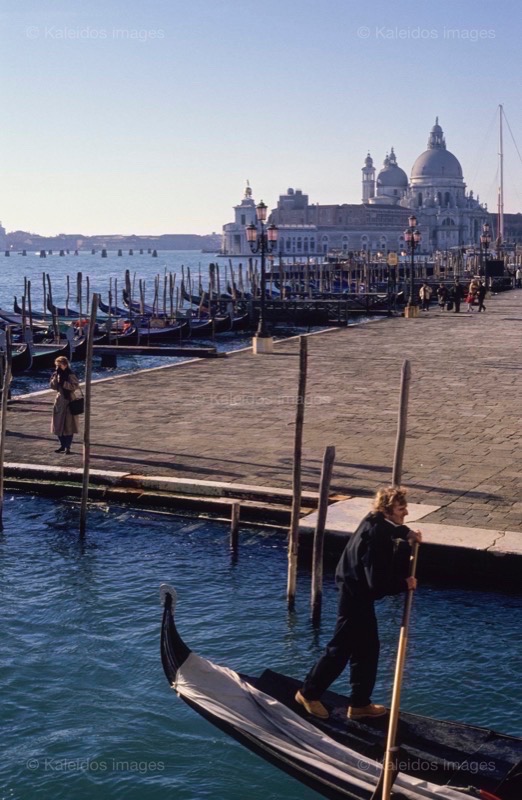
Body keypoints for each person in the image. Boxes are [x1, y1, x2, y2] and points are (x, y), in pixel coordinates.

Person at [295, 487, 422, 721]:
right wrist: (404, 583)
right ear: (388, 510)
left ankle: (360, 704)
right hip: (354, 597)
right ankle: (308, 694)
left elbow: (390, 528)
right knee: (340, 649)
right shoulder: (377, 539)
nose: (406, 512)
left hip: (357, 595)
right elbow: (377, 584)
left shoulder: (375, 520)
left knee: (367, 649)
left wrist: (406, 533)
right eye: (401, 509)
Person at [50, 356, 80, 454]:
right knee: (58, 425)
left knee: (69, 426)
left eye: (60, 365)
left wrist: (64, 383)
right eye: (57, 365)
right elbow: (53, 387)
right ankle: (62, 445)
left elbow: (74, 386)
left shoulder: (70, 374)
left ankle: (68, 447)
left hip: (69, 400)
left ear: (65, 365)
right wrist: (55, 378)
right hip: (60, 401)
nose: (58, 367)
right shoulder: (56, 374)